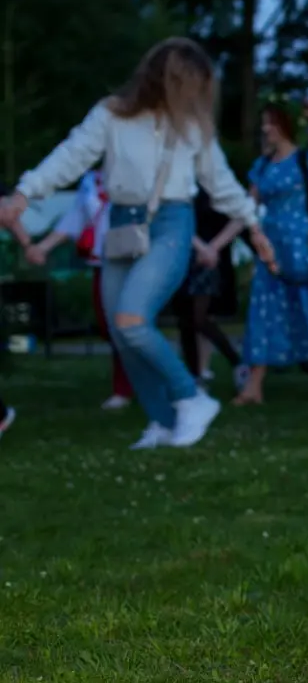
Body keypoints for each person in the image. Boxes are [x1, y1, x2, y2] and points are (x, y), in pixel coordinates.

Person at [0, 38, 275, 449]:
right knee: (120, 330)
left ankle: (192, 397)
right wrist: (25, 193)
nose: (197, 96)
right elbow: (71, 157)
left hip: (172, 222)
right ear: (167, 79)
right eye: (191, 85)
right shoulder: (111, 114)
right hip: (123, 224)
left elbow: (220, 183)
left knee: (132, 318)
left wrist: (255, 227)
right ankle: (163, 422)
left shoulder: (194, 128)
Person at [234, 102, 308, 405]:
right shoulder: (263, 165)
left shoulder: (306, 160)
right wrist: (219, 242)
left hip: (300, 242)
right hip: (270, 244)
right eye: (264, 123)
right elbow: (246, 207)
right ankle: (254, 385)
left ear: (285, 125)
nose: (266, 128)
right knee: (264, 309)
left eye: (271, 122)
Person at [23, 169, 134, 409]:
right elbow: (75, 218)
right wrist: (42, 247)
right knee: (110, 326)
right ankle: (127, 386)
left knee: (132, 324)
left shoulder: (137, 169)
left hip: (133, 259)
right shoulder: (91, 181)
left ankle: (142, 385)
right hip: (102, 261)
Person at [174, 189, 244, 386]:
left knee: (198, 318)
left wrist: (211, 248)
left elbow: (239, 217)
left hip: (208, 258)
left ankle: (235, 360)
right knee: (186, 320)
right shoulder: (184, 186)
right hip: (183, 254)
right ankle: (194, 375)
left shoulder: (219, 187)